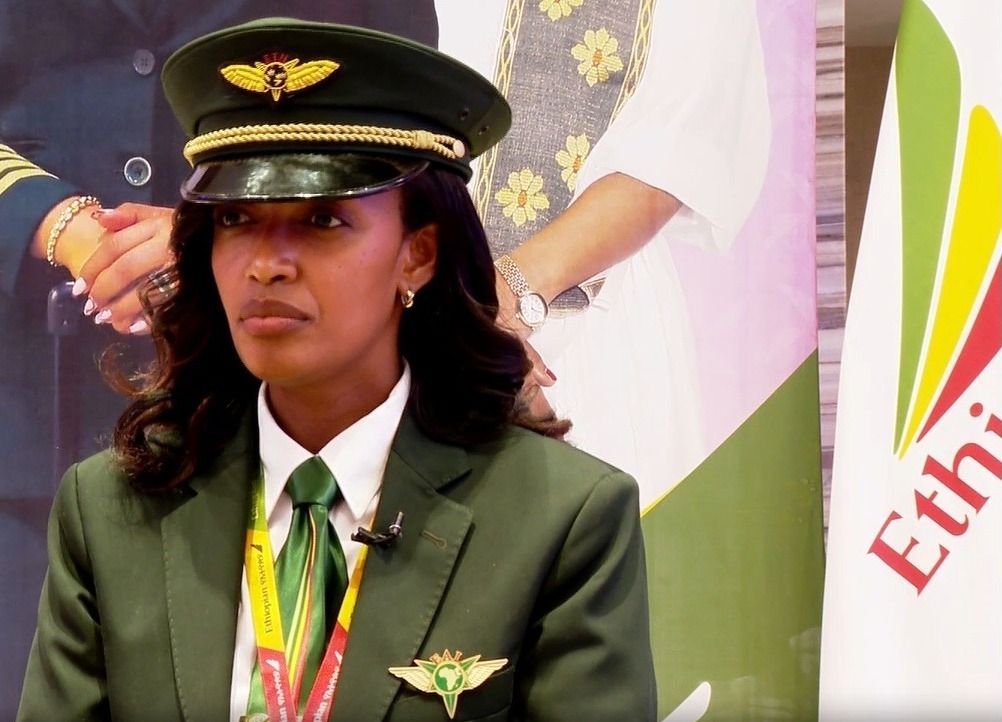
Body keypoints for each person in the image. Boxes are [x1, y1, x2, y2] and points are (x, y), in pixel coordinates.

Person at [17, 18, 655, 722]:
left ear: (418, 254)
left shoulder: (562, 520)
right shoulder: (111, 511)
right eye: (236, 220)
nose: (267, 264)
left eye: (322, 221)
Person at [0, 3, 436, 708]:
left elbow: (405, 127)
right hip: (19, 419)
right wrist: (64, 227)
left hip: (279, 420)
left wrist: (222, 230)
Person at [436, 0, 771, 507]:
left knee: (588, 533)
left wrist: (498, 307)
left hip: (581, 319)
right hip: (393, 310)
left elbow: (679, 143)